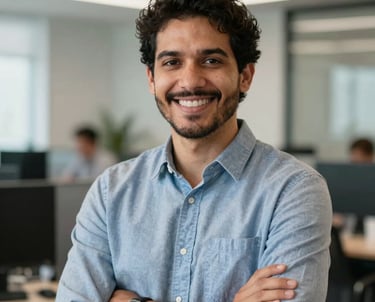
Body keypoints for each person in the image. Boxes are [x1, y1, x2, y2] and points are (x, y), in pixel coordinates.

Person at [56, 1, 332, 301]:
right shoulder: (111, 191)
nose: (189, 82)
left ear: (245, 76)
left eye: (211, 61)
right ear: (152, 79)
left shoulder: (294, 190)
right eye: (172, 62)